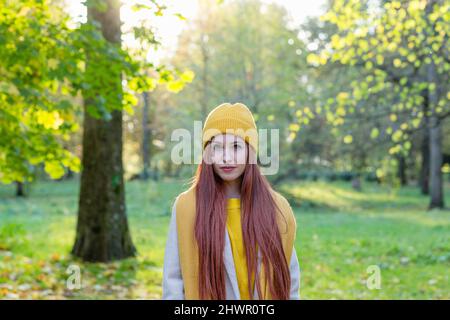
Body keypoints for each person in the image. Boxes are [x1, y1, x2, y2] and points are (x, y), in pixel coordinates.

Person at [162, 102, 300, 300]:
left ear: (250, 152)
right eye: (217, 148)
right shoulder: (187, 207)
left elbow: (290, 279)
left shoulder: (277, 208)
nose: (226, 157)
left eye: (236, 147)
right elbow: (173, 281)